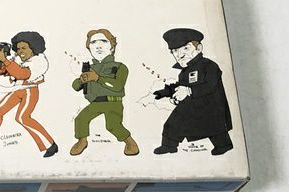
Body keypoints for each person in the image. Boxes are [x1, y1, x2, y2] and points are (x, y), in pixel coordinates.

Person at [0, 31, 59, 158]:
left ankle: (50, 145)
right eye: (18, 49)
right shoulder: (17, 59)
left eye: (24, 48)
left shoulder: (39, 61)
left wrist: (5, 60)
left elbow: (23, 74)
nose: (20, 52)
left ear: (34, 47)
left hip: (29, 91)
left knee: (22, 118)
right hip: (16, 89)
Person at [153, 28, 234, 156]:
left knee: (215, 129)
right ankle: (168, 146)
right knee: (172, 124)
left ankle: (224, 146)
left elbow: (210, 86)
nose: (179, 54)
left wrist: (189, 91)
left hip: (210, 106)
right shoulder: (184, 72)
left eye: (185, 48)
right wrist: (165, 92)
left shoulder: (209, 66)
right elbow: (179, 86)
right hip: (190, 106)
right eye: (174, 51)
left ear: (199, 48)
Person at [70, 29, 139, 156]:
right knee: (80, 119)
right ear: (89, 48)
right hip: (96, 103)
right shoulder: (90, 68)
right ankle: (82, 141)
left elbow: (117, 86)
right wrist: (81, 80)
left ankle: (130, 143)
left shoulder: (120, 67)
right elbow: (75, 86)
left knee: (113, 126)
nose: (98, 46)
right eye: (93, 42)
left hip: (113, 102)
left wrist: (97, 78)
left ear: (112, 46)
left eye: (103, 41)